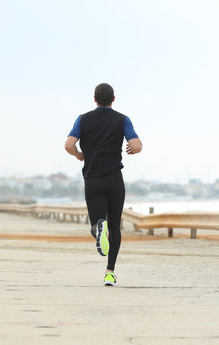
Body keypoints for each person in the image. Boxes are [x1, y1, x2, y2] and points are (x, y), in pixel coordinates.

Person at [65, 83, 143, 286]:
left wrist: (78, 155)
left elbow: (68, 145)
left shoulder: (83, 119)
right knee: (115, 227)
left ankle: (99, 227)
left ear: (94, 99)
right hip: (114, 179)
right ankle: (110, 272)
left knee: (97, 225)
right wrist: (133, 150)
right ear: (113, 99)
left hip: (93, 180)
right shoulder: (122, 120)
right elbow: (136, 145)